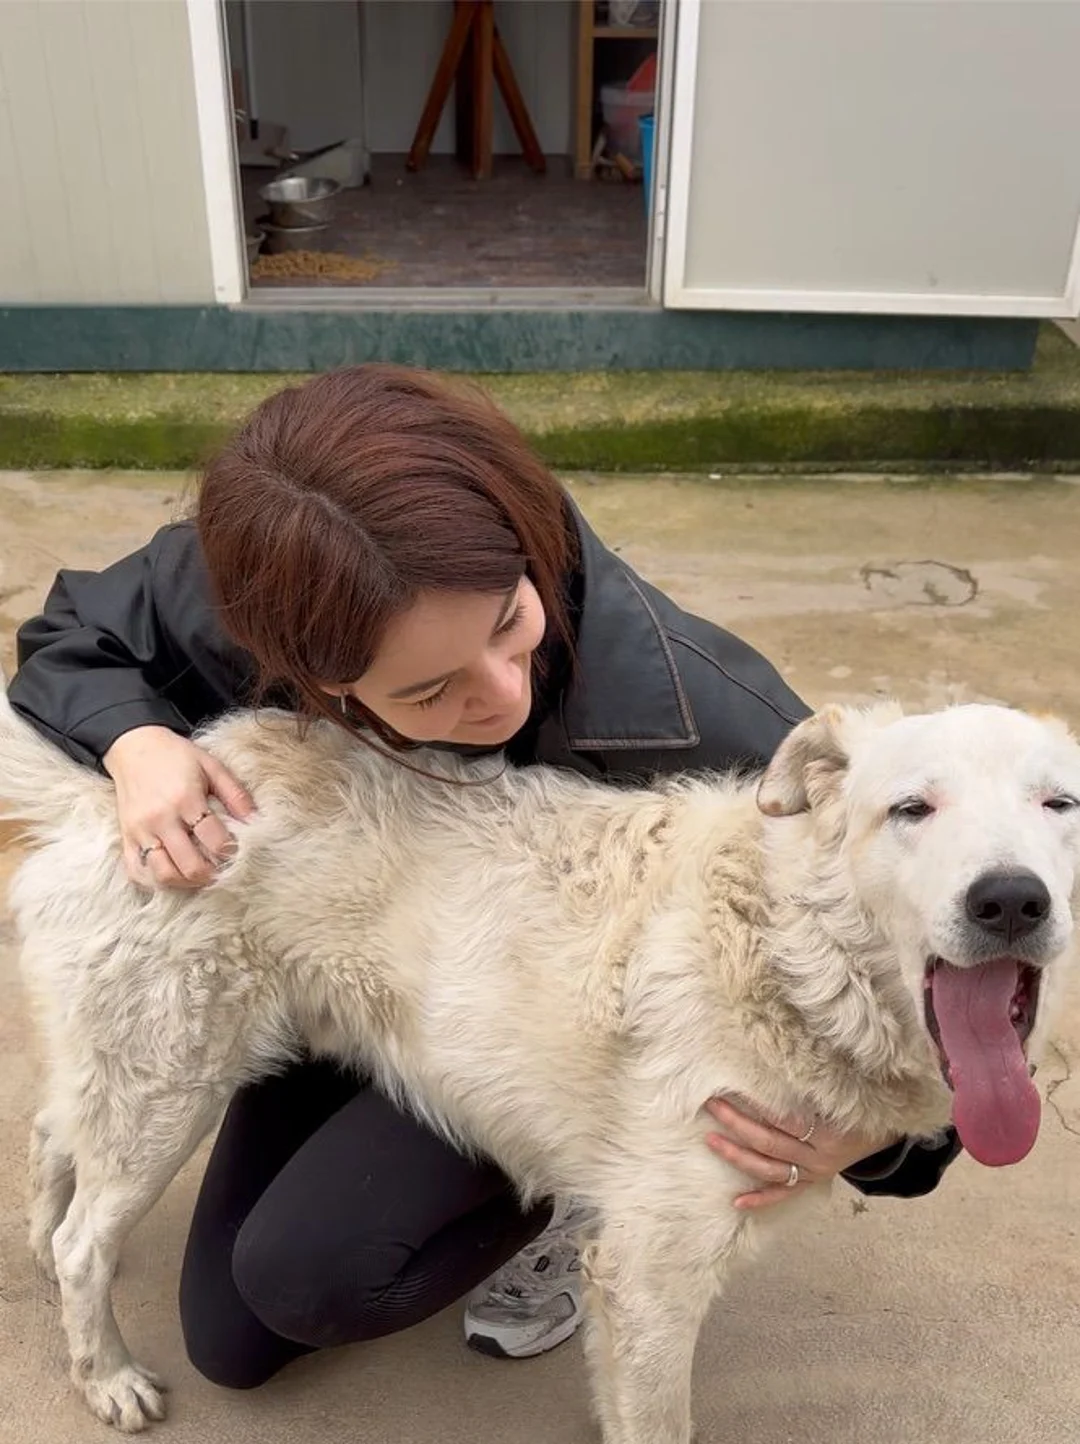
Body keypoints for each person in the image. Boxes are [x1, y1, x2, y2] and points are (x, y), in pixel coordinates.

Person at [9, 365, 960, 1389]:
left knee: (304, 1282)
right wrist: (135, 739)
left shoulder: (720, 732)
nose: (502, 693)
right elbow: (72, 638)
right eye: (428, 688)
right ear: (305, 666)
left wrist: (873, 1142)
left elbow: (916, 961)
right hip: (350, 953)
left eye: (510, 620)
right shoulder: (285, 572)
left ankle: (570, 1196)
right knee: (228, 1345)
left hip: (541, 1033)